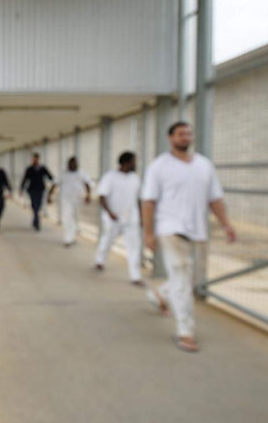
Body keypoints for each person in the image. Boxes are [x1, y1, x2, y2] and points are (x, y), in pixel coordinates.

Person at [141, 121, 236, 353]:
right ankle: (185, 331)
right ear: (170, 138)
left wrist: (226, 224)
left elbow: (215, 198)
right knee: (183, 280)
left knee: (184, 278)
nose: (185, 137)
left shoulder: (204, 165)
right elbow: (148, 201)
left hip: (196, 230)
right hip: (170, 228)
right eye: (180, 134)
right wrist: (148, 232)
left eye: (188, 133)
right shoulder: (159, 166)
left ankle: (160, 295)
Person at [94, 152, 144, 286]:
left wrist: (141, 217)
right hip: (113, 218)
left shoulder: (135, 179)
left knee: (134, 247)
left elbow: (138, 199)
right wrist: (110, 212)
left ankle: (135, 276)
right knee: (107, 240)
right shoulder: (110, 177)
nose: (135, 165)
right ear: (126, 163)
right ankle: (99, 260)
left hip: (131, 218)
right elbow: (102, 197)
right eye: (133, 162)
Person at [47, 156, 92, 247]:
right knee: (67, 218)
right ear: (68, 165)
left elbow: (87, 184)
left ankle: (72, 236)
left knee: (75, 218)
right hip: (65, 199)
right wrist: (49, 196)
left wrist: (88, 195)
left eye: (74, 164)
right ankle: (68, 238)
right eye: (70, 164)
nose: (72, 166)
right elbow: (54, 184)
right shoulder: (63, 174)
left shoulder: (82, 173)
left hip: (77, 199)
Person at [20, 153, 54, 231]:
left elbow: (49, 176)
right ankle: (36, 221)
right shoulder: (29, 169)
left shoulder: (42, 168)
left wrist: (55, 182)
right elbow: (25, 179)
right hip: (32, 190)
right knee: (34, 205)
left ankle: (35, 220)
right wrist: (21, 189)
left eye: (36, 159)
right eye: (33, 159)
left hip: (40, 189)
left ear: (38, 159)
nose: (35, 160)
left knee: (38, 205)